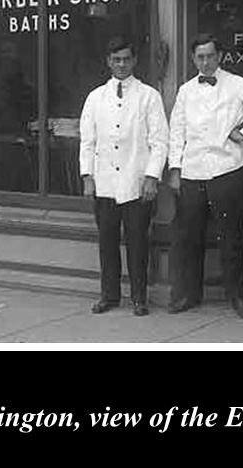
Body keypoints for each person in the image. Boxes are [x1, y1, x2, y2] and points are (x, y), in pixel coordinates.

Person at [167, 33, 243, 319]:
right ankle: (190, 296)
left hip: (228, 169)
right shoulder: (185, 91)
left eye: (210, 56)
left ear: (220, 57)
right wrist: (175, 170)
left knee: (230, 236)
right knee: (189, 236)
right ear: (193, 58)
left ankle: (237, 297)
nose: (205, 61)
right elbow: (176, 132)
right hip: (193, 171)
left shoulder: (236, 84)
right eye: (200, 56)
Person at [79, 36, 169, 316]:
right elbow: (87, 141)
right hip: (104, 182)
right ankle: (110, 295)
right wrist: (87, 177)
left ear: (134, 61)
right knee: (107, 242)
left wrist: (152, 177)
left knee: (137, 243)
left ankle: (139, 298)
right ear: (108, 62)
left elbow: (160, 141)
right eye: (116, 60)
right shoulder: (95, 97)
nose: (121, 64)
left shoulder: (149, 96)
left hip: (136, 183)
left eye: (126, 59)